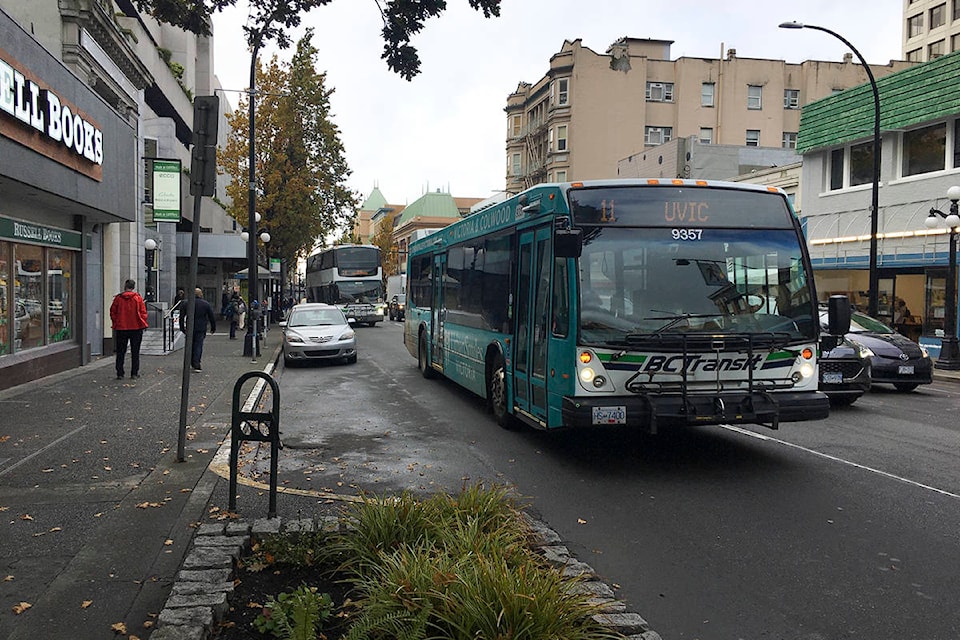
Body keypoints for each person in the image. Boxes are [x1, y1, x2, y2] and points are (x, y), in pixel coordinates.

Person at [110, 278, 148, 380]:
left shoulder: (118, 298)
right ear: (133, 287)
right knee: (135, 352)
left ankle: (120, 373)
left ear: (125, 286)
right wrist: (142, 321)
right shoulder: (138, 298)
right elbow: (143, 312)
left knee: (120, 351)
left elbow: (112, 311)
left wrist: (116, 322)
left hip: (121, 328)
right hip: (136, 328)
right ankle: (134, 373)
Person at [179, 287, 217, 371]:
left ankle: (190, 361)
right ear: (201, 294)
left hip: (190, 327)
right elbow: (211, 317)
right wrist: (213, 327)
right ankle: (196, 362)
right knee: (198, 345)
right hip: (201, 327)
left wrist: (182, 327)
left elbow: (181, 317)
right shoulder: (205, 304)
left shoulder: (186, 303)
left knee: (190, 345)